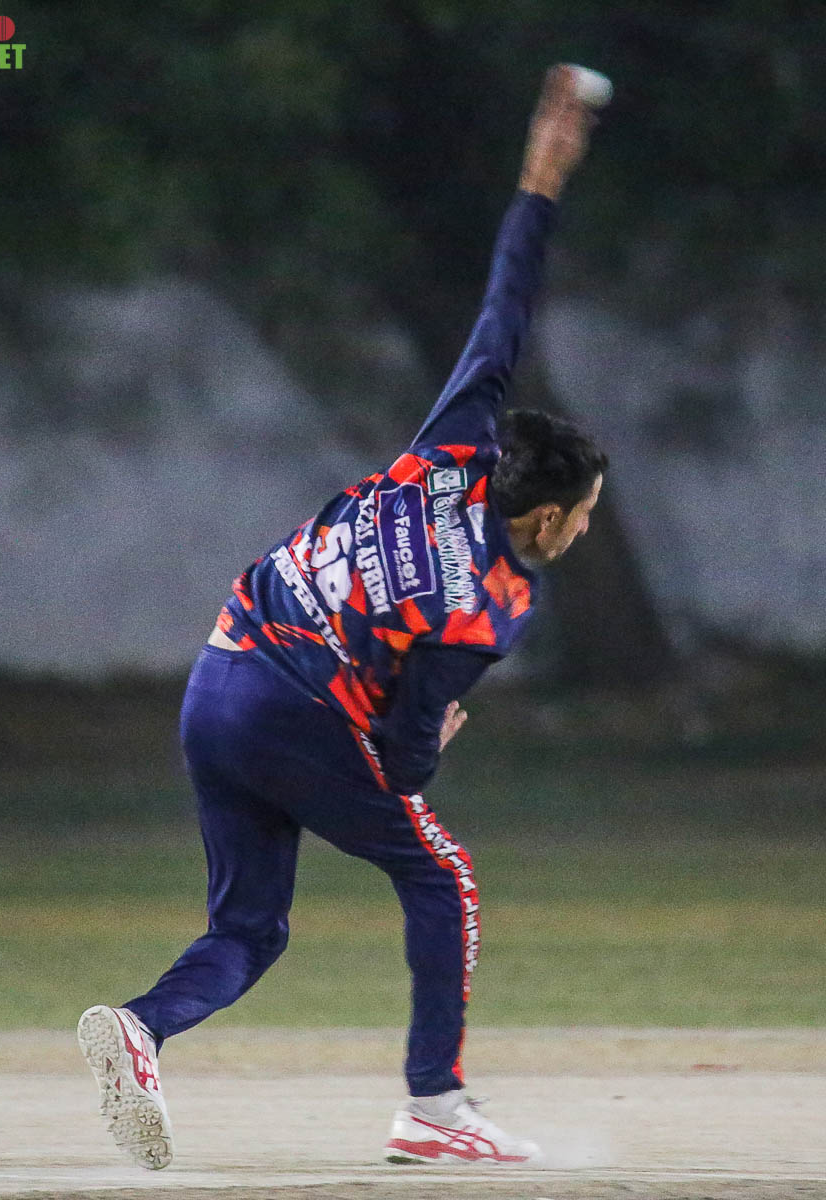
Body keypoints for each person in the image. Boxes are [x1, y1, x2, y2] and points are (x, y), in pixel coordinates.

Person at [78, 63, 608, 1169]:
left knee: (249, 928)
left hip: (220, 671)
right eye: (587, 514)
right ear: (548, 517)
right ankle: (436, 1108)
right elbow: (402, 764)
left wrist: (540, 180)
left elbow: (505, 305)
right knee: (441, 876)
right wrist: (434, 738)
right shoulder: (492, 607)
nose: (588, 528)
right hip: (296, 715)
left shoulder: (459, 441)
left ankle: (141, 1029)